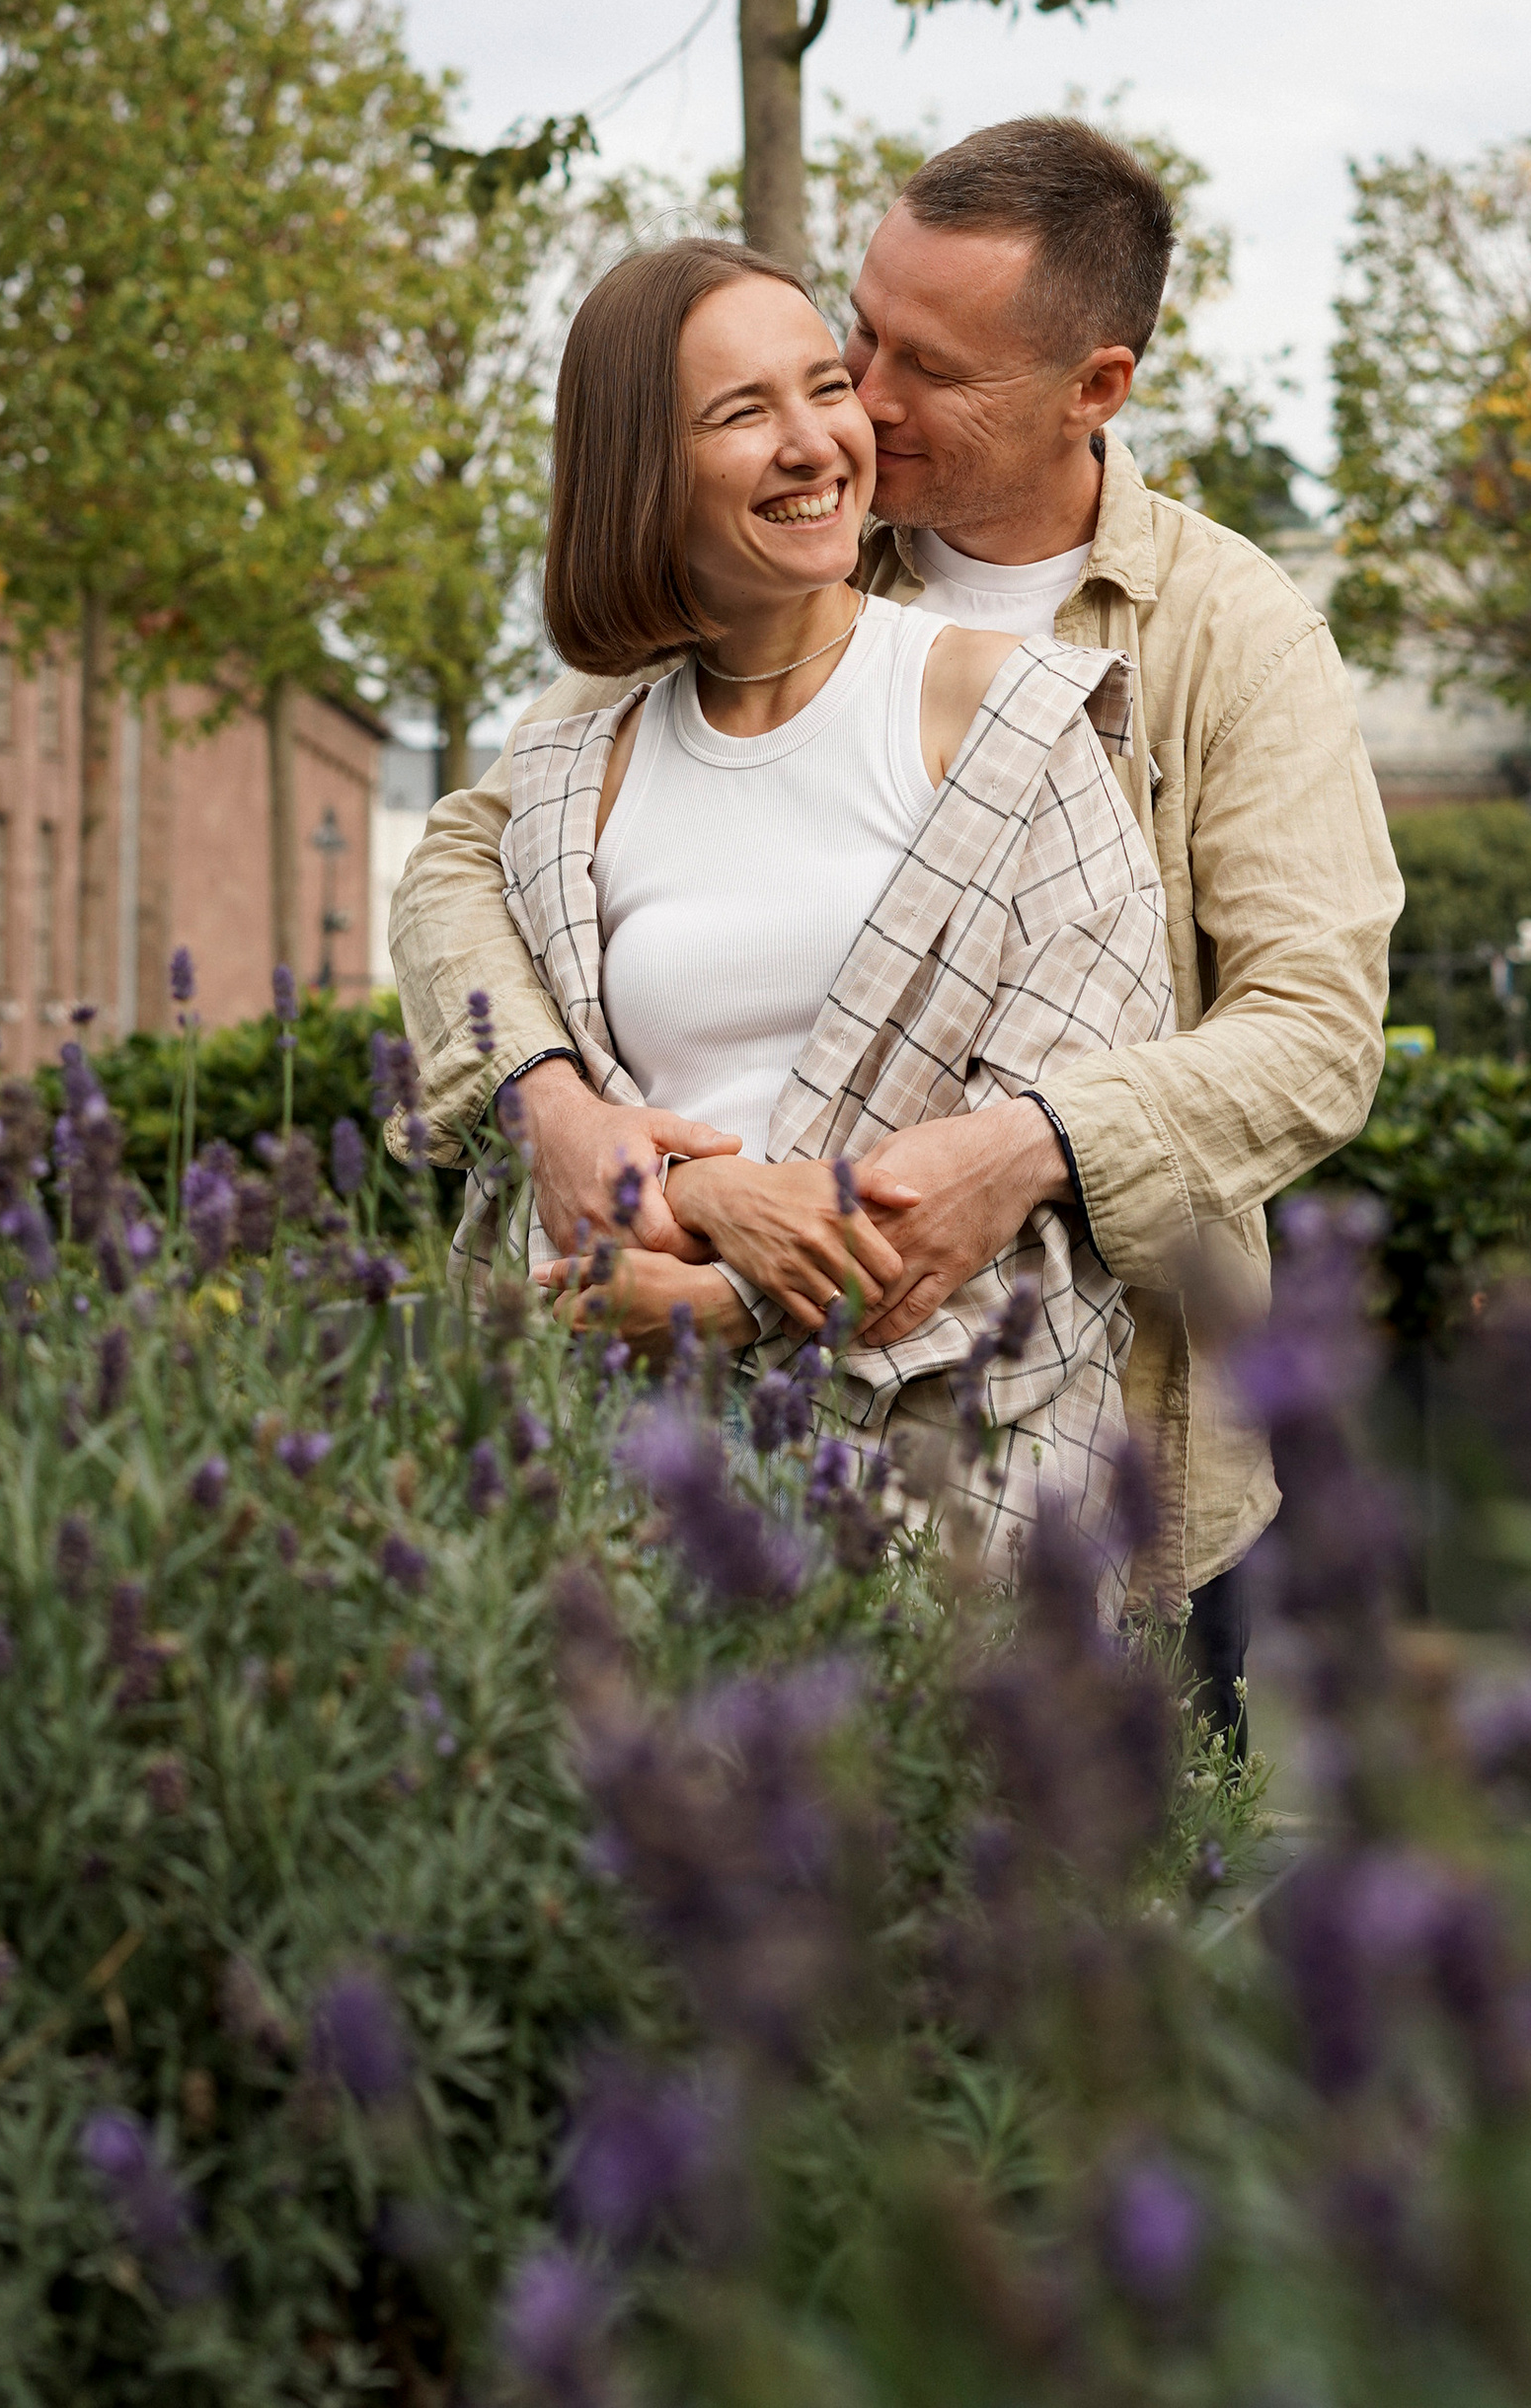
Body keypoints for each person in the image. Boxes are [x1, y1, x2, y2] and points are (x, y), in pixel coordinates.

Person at [393, 118, 1403, 1728]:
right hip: (667, 1460)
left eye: (926, 368)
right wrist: (555, 1106)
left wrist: (1028, 1146)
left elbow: (1314, 1037)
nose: (860, 399)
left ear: (1094, 387)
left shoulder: (1231, 637)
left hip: (1104, 1457)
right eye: (860, 331)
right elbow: (472, 856)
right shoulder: (766, 561)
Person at [466, 232, 1173, 1563]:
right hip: (625, 1486)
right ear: (640, 468)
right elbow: (546, 1164)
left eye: (824, 387)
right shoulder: (573, 772)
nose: (815, 443)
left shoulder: (1014, 719)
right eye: (742, 413)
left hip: (944, 1494)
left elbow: (1040, 1157)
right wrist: (702, 1197)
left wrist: (732, 1295)